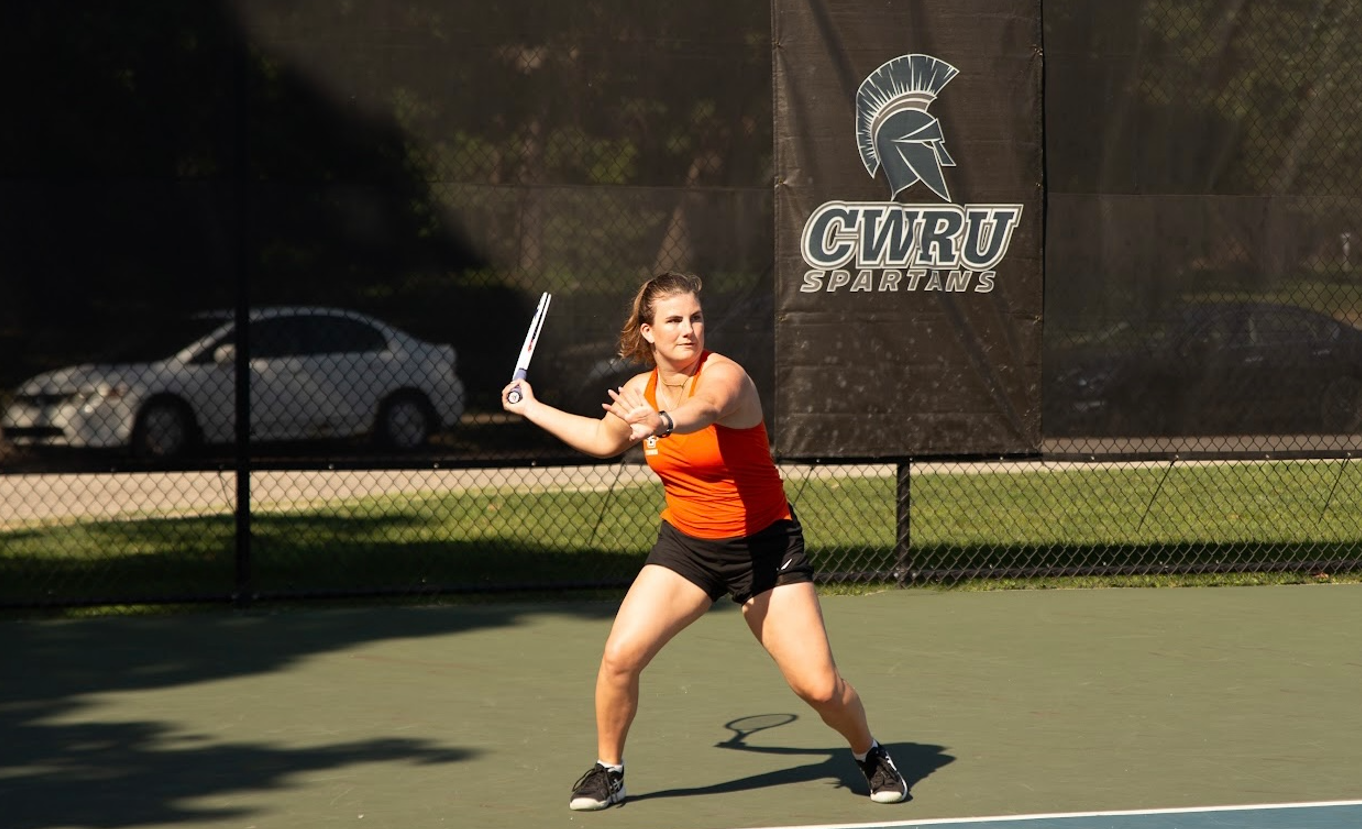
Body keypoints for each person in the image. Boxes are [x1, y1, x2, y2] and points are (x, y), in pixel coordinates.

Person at [501, 271, 908, 811]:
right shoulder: (637, 391)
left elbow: (707, 410)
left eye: (695, 317)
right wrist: (530, 406)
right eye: (674, 320)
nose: (689, 330)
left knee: (818, 688)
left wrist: (664, 420)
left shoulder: (725, 377)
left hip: (764, 548)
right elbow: (603, 440)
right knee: (620, 656)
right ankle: (609, 772)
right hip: (687, 548)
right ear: (648, 332)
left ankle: (869, 751)